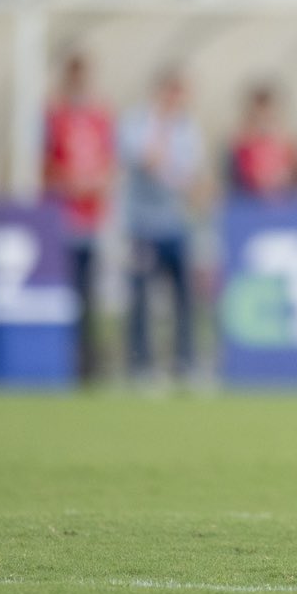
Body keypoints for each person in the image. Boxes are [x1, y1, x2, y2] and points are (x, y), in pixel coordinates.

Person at [120, 68, 204, 381]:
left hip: (176, 224)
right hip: (142, 224)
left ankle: (184, 361)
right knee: (141, 295)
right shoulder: (137, 123)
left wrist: (189, 184)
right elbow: (147, 160)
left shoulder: (188, 128)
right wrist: (178, 175)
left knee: (183, 297)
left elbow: (193, 175)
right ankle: (140, 364)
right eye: (173, 93)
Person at [44, 50, 115, 381]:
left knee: (89, 295)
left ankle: (87, 363)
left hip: (92, 220)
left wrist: (98, 183)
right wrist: (68, 183)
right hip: (60, 219)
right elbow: (41, 165)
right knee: (61, 294)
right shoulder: (52, 116)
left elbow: (111, 165)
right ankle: (60, 360)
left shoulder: (101, 118)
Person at [226, 82, 297, 201]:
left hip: (282, 193)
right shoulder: (244, 142)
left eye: (269, 114)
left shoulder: (284, 140)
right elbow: (245, 172)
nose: (264, 121)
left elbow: (294, 166)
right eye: (260, 114)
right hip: (251, 196)